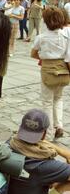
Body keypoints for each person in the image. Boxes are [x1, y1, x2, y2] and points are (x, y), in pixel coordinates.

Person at [5, 109, 70, 194]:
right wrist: (59, 150)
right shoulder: (43, 166)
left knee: (55, 177)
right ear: (44, 134)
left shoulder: (9, 145)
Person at [31, 8, 70, 140]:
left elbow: (33, 54)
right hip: (63, 70)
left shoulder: (41, 37)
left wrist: (45, 57)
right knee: (58, 98)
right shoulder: (66, 36)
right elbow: (68, 57)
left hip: (47, 70)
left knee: (47, 101)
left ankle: (48, 132)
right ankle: (59, 125)